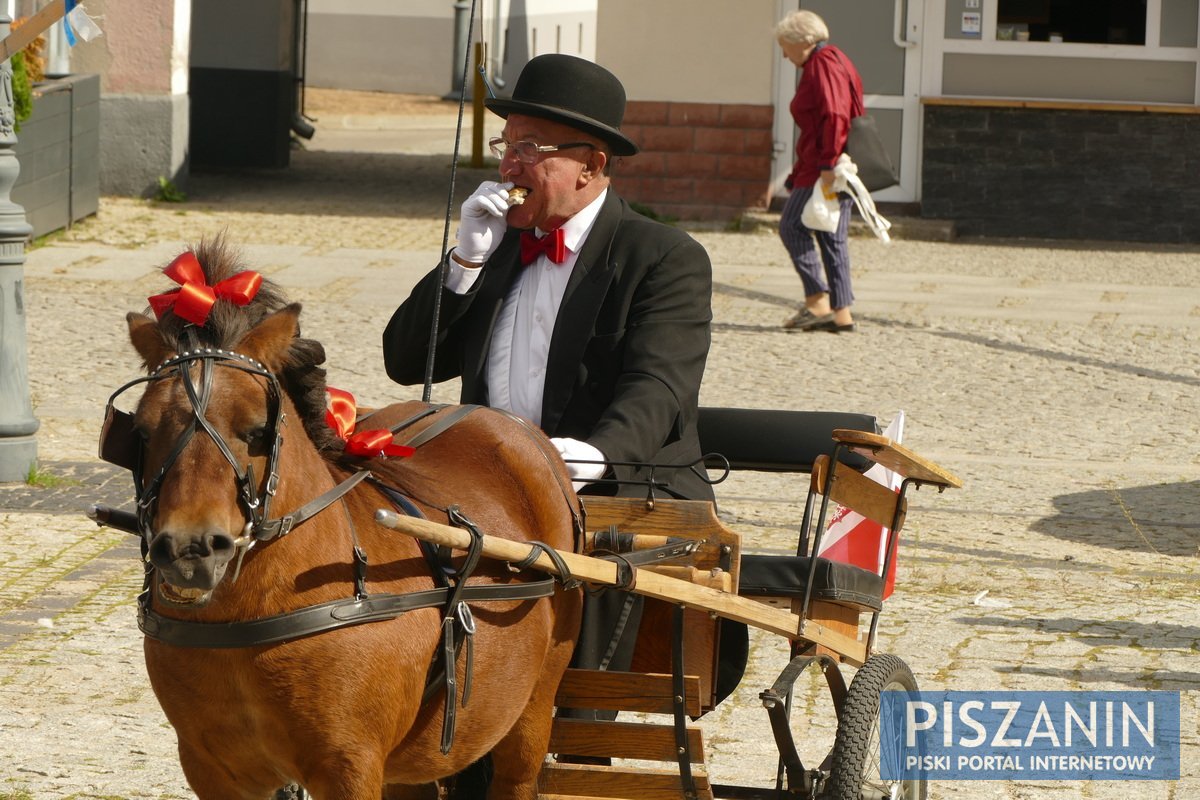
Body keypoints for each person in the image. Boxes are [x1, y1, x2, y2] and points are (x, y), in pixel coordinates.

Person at [383, 54, 744, 722]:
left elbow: (659, 388)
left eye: (528, 149)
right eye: (505, 145)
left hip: (613, 490)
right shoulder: (493, 248)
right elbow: (404, 360)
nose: (508, 166)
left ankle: (573, 730)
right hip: (490, 490)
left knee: (562, 665)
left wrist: (586, 457)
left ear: (590, 165)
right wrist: (463, 258)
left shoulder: (662, 257)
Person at [776, 10, 864, 333]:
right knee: (831, 236)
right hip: (825, 163)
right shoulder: (831, 60)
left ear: (805, 41)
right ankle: (842, 314)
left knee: (792, 227)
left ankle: (817, 302)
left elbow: (835, 114)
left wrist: (827, 162)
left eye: (786, 46)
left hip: (823, 167)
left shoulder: (822, 63)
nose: (785, 55)